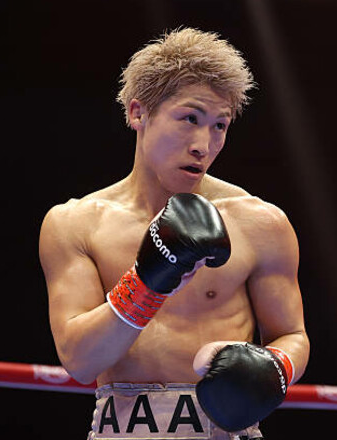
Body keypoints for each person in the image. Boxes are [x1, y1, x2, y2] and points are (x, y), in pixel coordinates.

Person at [39, 27, 310, 440]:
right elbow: (80, 361)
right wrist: (147, 283)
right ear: (138, 113)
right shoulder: (76, 223)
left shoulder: (260, 223)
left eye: (220, 126)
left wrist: (272, 366)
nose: (204, 144)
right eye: (190, 119)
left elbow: (292, 335)